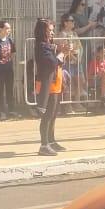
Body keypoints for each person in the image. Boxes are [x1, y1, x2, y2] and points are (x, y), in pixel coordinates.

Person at [33, 18, 64, 156]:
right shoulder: (41, 45)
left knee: (54, 114)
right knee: (47, 115)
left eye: (52, 30)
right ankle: (43, 145)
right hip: (47, 84)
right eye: (49, 30)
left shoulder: (49, 44)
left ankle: (51, 141)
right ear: (42, 31)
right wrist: (61, 54)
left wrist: (62, 52)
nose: (52, 33)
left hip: (55, 83)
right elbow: (52, 63)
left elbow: (57, 64)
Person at [0, 20, 17, 118]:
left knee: (10, 89)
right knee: (0, 90)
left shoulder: (10, 40)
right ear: (1, 29)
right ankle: (2, 112)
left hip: (9, 69)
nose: (9, 30)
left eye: (9, 28)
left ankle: (11, 110)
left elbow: (13, 53)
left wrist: (7, 62)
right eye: (7, 28)